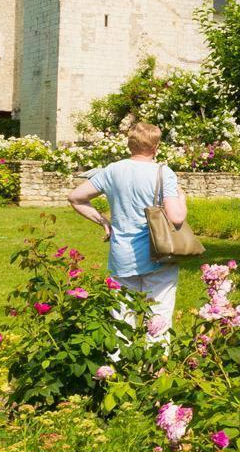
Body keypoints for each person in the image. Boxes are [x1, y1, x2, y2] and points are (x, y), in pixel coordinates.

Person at [67, 122, 187, 344]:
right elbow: (177, 217)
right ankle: (155, 370)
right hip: (159, 254)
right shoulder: (163, 172)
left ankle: (118, 370)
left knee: (121, 319)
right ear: (155, 147)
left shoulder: (112, 170)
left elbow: (76, 197)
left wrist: (103, 221)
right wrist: (182, 198)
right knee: (158, 316)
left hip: (122, 255)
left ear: (130, 144)